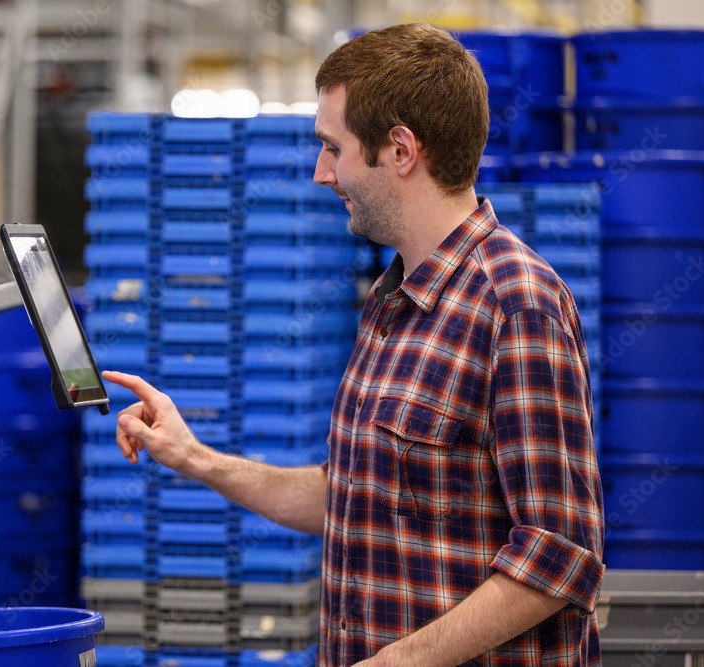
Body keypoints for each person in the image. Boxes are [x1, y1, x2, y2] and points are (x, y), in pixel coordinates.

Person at [102, 22, 604, 666]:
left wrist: (397, 662)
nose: (320, 173)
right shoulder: (391, 302)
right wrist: (195, 457)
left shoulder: (516, 302)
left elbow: (559, 551)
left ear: (399, 150)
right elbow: (351, 494)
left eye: (333, 148)